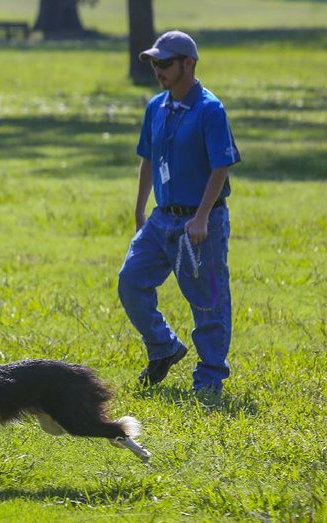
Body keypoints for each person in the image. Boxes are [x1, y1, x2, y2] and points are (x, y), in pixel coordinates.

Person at [118, 31, 240, 396]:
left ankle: (210, 378)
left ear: (189, 63)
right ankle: (164, 348)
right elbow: (147, 159)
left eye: (165, 63)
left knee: (207, 301)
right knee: (131, 282)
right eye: (155, 63)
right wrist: (140, 208)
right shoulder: (156, 106)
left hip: (199, 221)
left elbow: (221, 167)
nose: (159, 70)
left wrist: (202, 217)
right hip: (161, 218)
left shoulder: (210, 109)